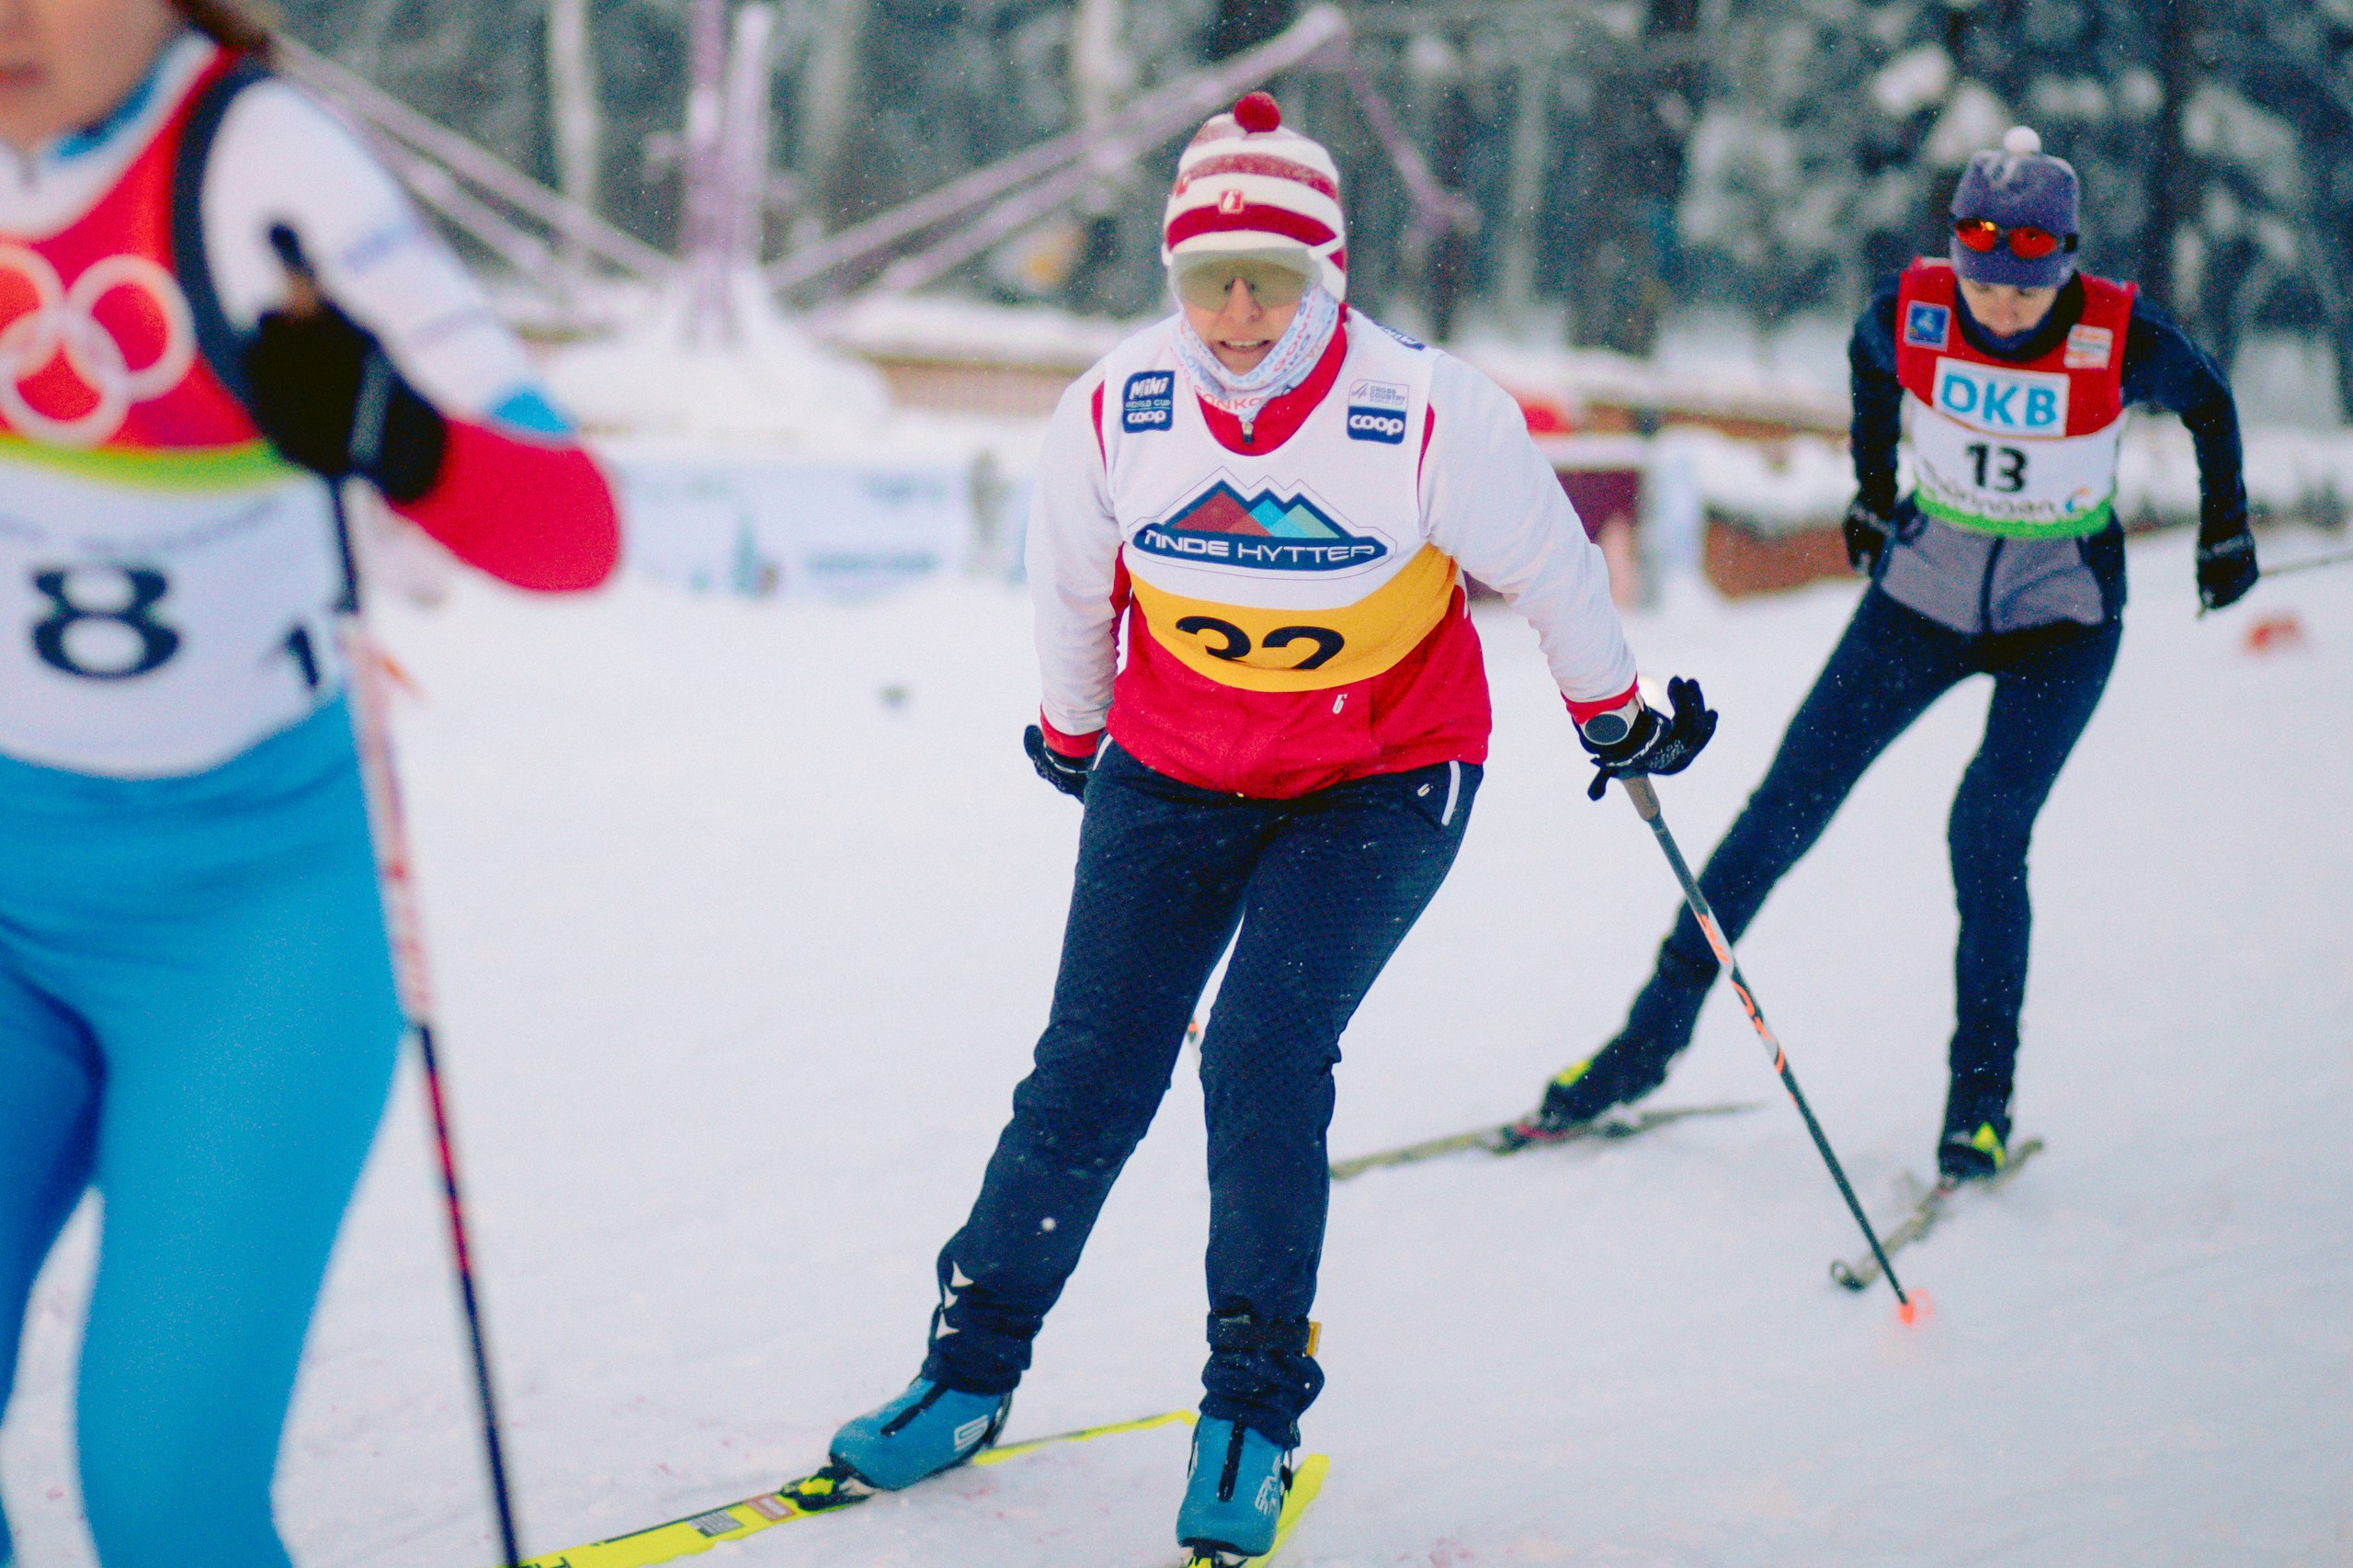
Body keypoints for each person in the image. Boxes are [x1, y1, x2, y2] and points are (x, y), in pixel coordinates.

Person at [822, 93, 1713, 1565]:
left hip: (1382, 772)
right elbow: (1072, 584)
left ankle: (1250, 1410)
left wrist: (1613, 713)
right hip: (1176, 763)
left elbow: (1553, 570)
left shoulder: (1423, 411)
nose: (1238, 311)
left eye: (1273, 278)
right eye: (1207, 277)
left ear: (1328, 274)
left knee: (1260, 1050)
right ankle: (967, 1368)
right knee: (1091, 1068)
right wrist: (1072, 727)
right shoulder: (1117, 405)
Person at [0, 0, 620, 1562]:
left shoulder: (256, 167)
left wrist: (397, 435)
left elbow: (572, 529)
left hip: (245, 924)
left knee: (162, 1485)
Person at [1513, 127, 2257, 1182]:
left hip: (2060, 621)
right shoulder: (1914, 311)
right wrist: (1871, 490)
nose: (2000, 309)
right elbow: (1868, 368)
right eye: (1981, 283)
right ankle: (1642, 1045)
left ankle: (1978, 1107)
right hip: (1919, 601)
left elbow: (2210, 402)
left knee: (1984, 830)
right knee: (1780, 810)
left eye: (2025, 290)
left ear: (2064, 263)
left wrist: (2225, 530)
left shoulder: (2114, 331)